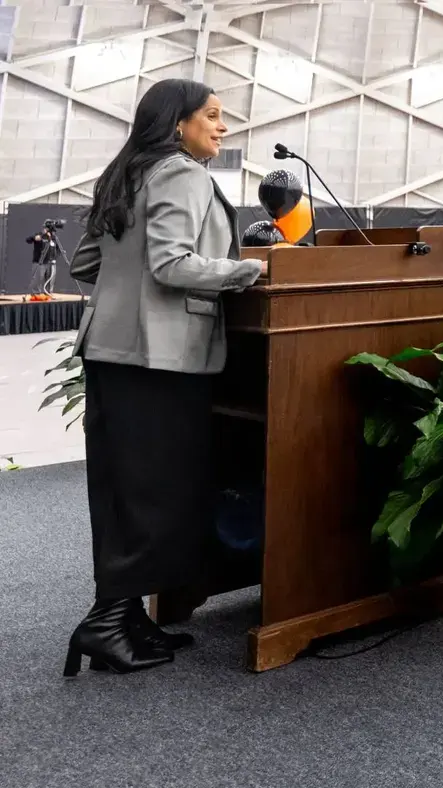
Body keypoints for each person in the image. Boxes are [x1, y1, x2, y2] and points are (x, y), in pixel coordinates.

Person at [65, 78, 267, 676]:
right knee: (154, 491)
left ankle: (124, 617)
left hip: (112, 351)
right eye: (213, 115)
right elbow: (172, 264)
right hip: (161, 357)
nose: (223, 127)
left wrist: (125, 293)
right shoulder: (182, 174)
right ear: (178, 124)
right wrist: (245, 270)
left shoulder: (126, 174)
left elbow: (85, 263)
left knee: (124, 488)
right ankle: (107, 622)